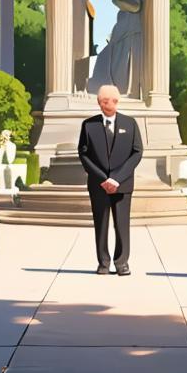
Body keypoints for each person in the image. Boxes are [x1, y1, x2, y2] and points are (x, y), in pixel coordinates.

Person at [77, 84, 143, 275]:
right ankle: (103, 263)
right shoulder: (89, 125)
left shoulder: (130, 124)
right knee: (101, 224)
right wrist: (102, 178)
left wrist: (116, 179)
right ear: (99, 102)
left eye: (113, 100)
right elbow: (84, 154)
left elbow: (137, 152)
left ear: (118, 101)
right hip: (99, 185)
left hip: (123, 184)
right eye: (105, 101)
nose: (109, 104)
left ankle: (122, 262)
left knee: (122, 224)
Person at [87, 0, 145, 97]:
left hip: (130, 39)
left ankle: (123, 91)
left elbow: (135, 7)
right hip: (119, 39)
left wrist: (121, 2)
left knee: (121, 67)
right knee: (105, 60)